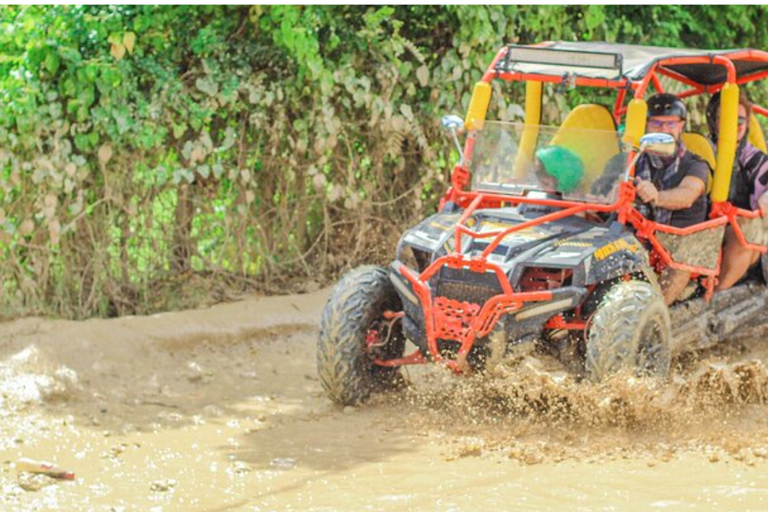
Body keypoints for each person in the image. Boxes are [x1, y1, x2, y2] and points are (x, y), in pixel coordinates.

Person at [634, 93, 711, 305]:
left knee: (681, 262)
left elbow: (688, 194)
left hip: (678, 239)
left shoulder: (695, 164)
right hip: (635, 235)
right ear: (646, 125)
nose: (664, 129)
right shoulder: (631, 159)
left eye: (670, 123)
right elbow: (603, 188)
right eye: (656, 123)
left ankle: (652, 313)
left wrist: (656, 196)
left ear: (681, 126)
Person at [707, 92, 768, 290]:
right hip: (703, 224)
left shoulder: (756, 160)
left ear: (747, 122)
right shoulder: (703, 151)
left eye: (739, 120)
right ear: (714, 121)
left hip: (739, 227)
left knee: (748, 229)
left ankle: (717, 293)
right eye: (725, 119)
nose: (733, 125)